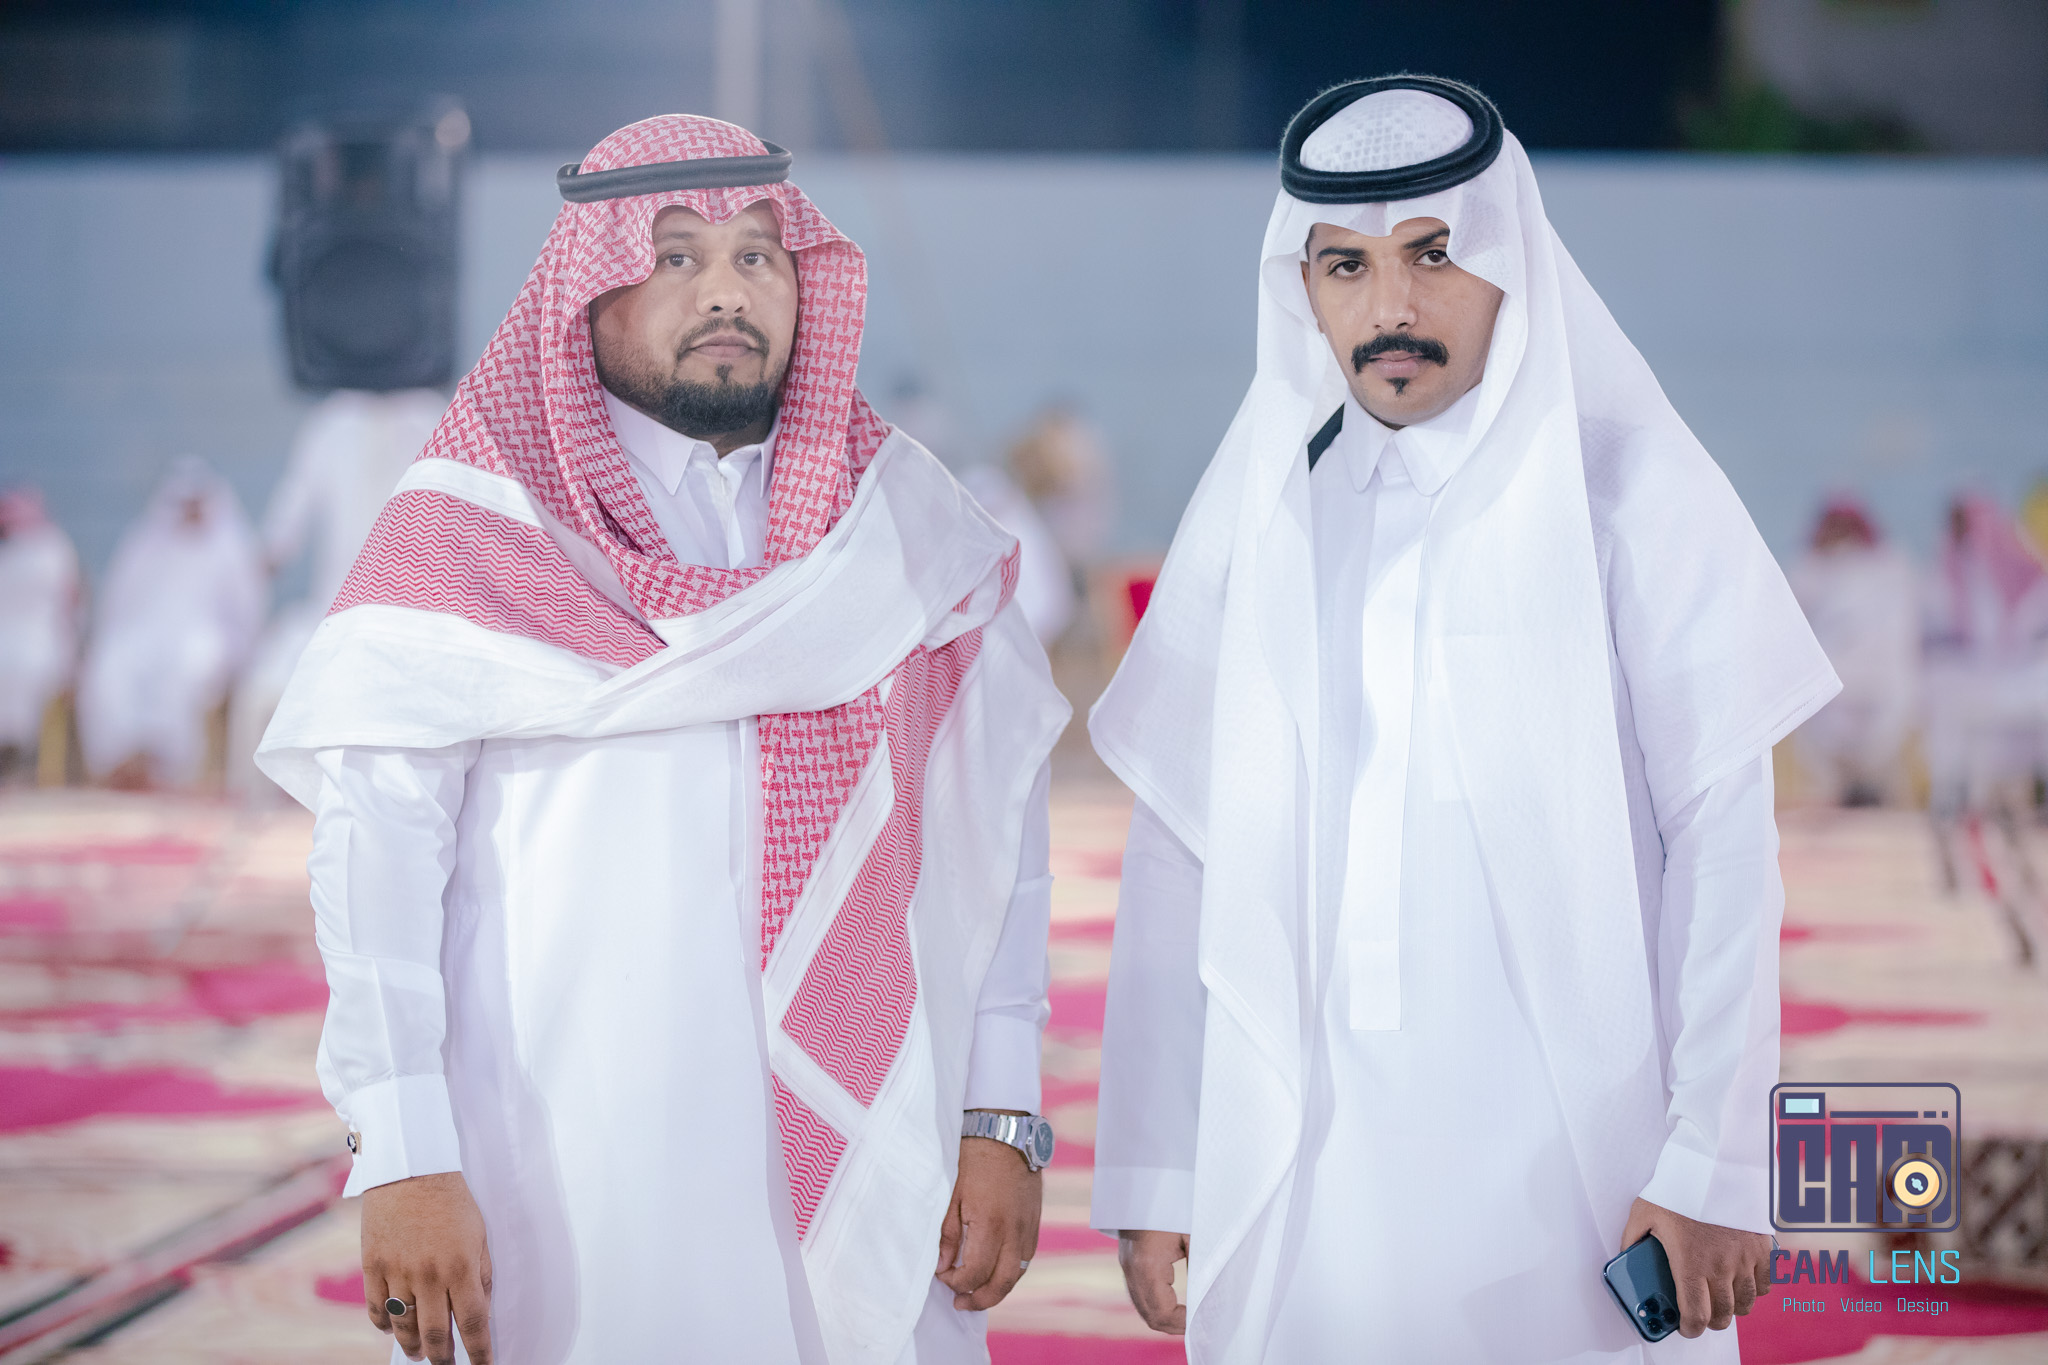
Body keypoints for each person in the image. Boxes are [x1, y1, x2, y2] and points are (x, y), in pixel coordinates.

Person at [256, 116, 1068, 1365]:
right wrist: (404, 1153)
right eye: (676, 256)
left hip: (878, 1144)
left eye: (756, 256)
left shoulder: (903, 530)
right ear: (585, 292)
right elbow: (375, 865)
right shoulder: (471, 532)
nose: (724, 292)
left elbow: (993, 827)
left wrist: (1000, 1112)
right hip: (566, 1176)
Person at [1088, 76, 1839, 1362]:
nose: (1389, 305)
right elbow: (1177, 848)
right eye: (1345, 265)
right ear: (1301, 289)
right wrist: (1158, 1160)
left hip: (1576, 1163)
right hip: (1305, 1169)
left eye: (1431, 255)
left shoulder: (1627, 491)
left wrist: (1716, 1162)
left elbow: (1723, 843)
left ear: (1506, 264)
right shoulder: (1260, 514)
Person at [229, 388, 445, 799]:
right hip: (334, 616)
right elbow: (281, 534)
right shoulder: (331, 425)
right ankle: (262, 806)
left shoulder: (432, 417)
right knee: (268, 686)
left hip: (416, 618)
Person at [77, 458, 265, 789]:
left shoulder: (229, 547)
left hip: (207, 633)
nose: (190, 512)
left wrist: (240, 652)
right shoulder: (148, 544)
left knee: (191, 665)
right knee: (111, 665)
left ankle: (167, 766)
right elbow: (119, 600)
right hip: (147, 632)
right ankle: (120, 760)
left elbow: (247, 612)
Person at [1787, 497, 1920, 805]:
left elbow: (1902, 629)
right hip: (1833, 681)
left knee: (1879, 747)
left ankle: (1869, 792)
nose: (1840, 536)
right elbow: (1791, 623)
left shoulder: (1887, 566)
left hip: (1881, 679)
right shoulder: (1811, 568)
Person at [1922, 493, 2048, 817]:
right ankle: (1951, 798)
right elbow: (1940, 632)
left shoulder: (2024, 573)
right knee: (1942, 689)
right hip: (1977, 678)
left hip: (2021, 676)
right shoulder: (1949, 573)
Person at [0, 488, 81, 780]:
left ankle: (19, 755)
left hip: (42, 637)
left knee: (25, 668)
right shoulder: (7, 552)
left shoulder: (53, 548)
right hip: (6, 632)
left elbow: (70, 603)